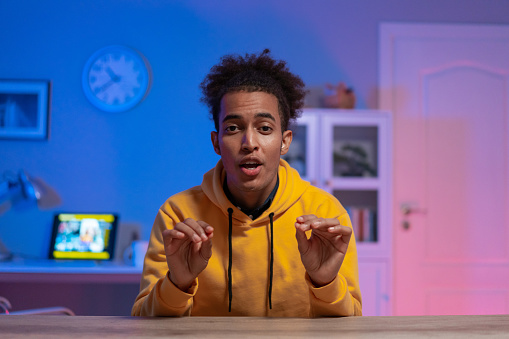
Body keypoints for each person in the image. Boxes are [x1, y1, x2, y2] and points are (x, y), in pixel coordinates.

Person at [132, 49, 362, 317]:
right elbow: (142, 320)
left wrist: (325, 282)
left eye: (264, 128)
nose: (249, 143)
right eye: (233, 128)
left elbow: (351, 324)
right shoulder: (178, 215)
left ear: (285, 141)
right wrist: (177, 284)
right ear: (216, 142)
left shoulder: (325, 214)